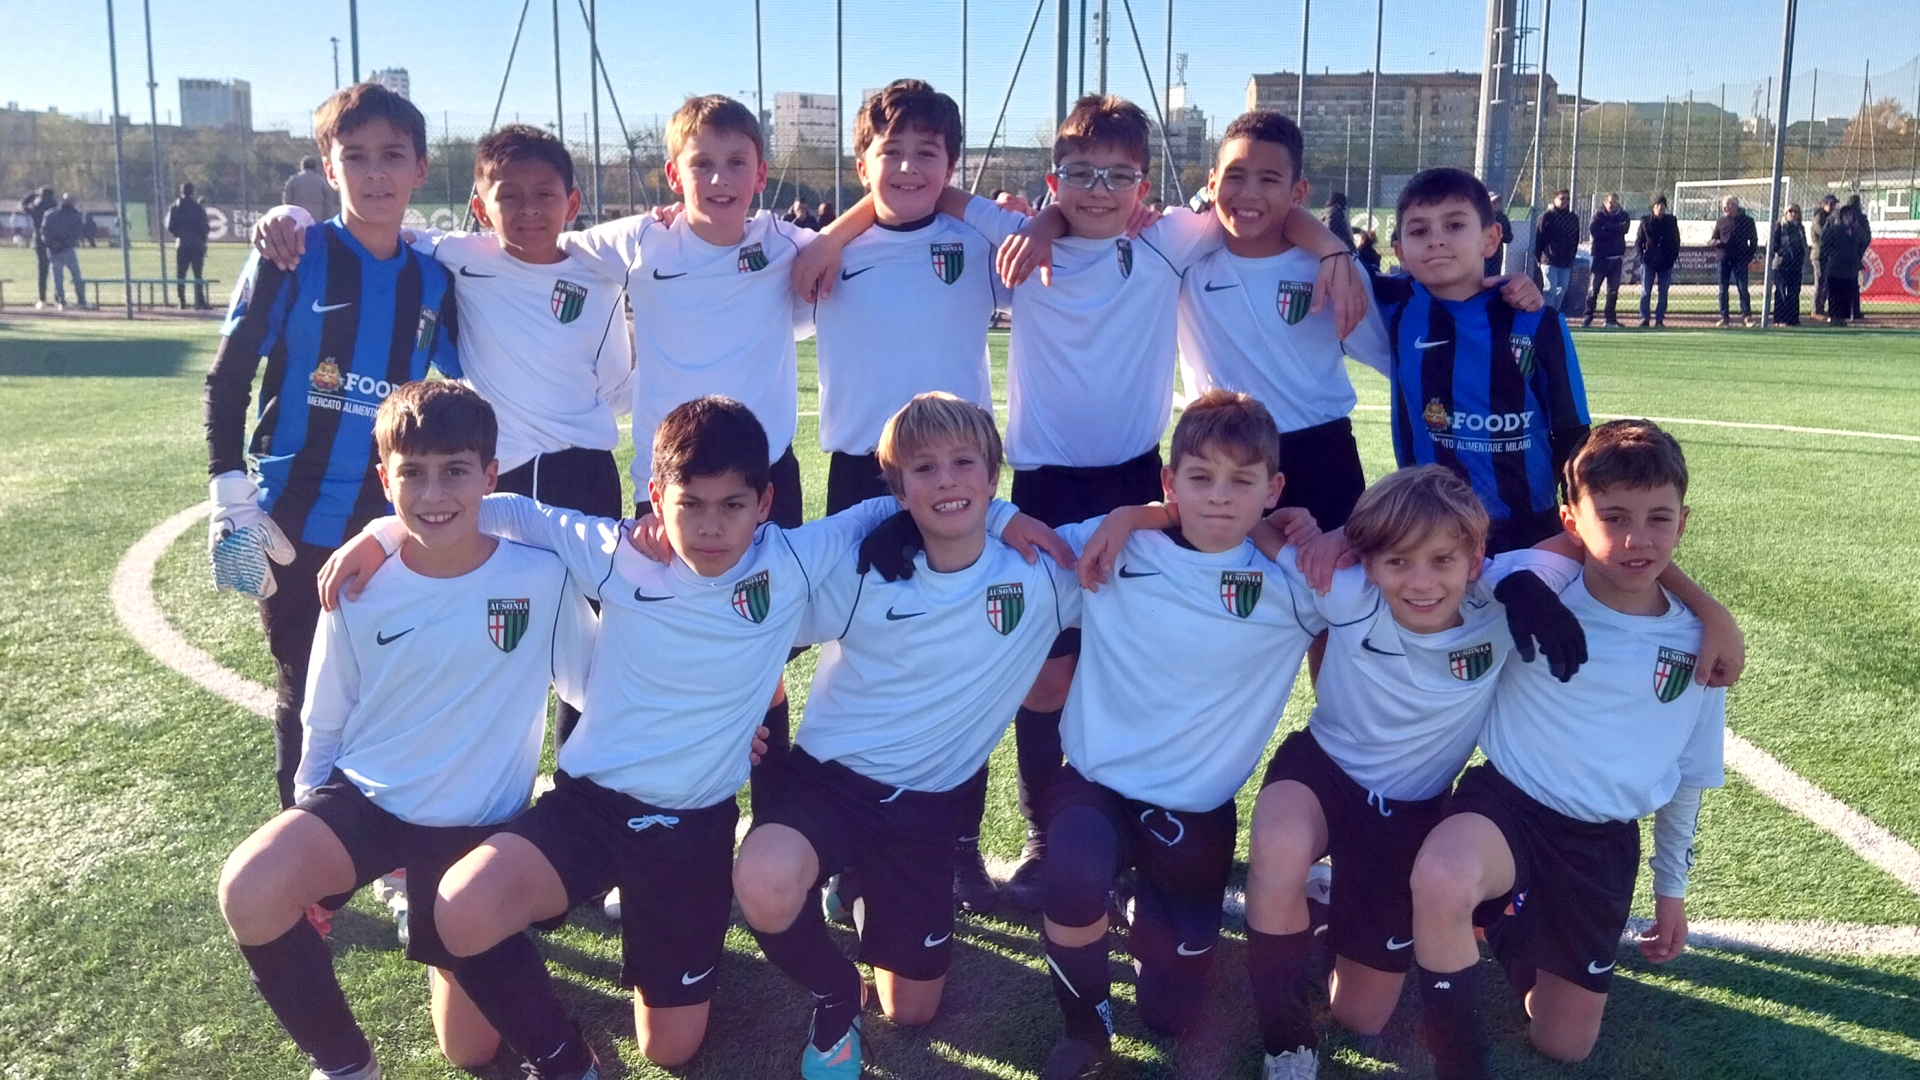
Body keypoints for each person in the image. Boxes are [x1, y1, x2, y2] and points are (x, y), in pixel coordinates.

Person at [316, 395, 1064, 1075]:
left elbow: (897, 504)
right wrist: (382, 533)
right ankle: (566, 1059)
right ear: (655, 496)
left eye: (732, 505)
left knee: (669, 1049)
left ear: (764, 503)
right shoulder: (617, 551)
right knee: (459, 908)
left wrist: (1002, 518)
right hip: (589, 808)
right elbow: (505, 509)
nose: (710, 526)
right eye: (690, 505)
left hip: (692, 832)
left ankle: (826, 953)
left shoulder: (792, 561)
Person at [920, 94, 1364, 913]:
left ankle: (1140, 835)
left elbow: (1258, 209)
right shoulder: (1016, 238)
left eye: (1116, 176)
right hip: (1045, 483)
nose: (1098, 190)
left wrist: (1333, 244)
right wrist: (1039, 221)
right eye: (1079, 175)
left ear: (1144, 186)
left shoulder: (1167, 240)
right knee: (1044, 675)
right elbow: (936, 193)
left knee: (1138, 662)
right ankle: (1046, 838)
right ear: (1054, 177)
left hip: (1135, 479)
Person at [215, 380, 593, 1080]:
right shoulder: (357, 586)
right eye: (412, 473)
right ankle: (346, 1066)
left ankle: (551, 1033)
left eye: (455, 470)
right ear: (385, 481)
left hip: (476, 827)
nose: (433, 493)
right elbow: (325, 715)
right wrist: (308, 832)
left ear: (490, 475)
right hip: (369, 802)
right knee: (251, 885)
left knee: (469, 1050)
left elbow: (592, 688)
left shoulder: (540, 579)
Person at [730, 393, 1078, 1079]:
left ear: (993, 475)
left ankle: (857, 886)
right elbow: (758, 629)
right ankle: (837, 993)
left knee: (913, 1011)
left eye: (963, 463)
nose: (946, 480)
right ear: (897, 488)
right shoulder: (864, 566)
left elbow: (1162, 530)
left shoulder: (1040, 569)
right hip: (830, 784)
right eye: (923, 468)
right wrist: (737, 714)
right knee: (763, 881)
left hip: (926, 811)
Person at [1240, 465, 1586, 1079]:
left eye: (1441, 561)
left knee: (1361, 1017)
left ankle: (1322, 907)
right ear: (1369, 564)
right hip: (1324, 772)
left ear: (1475, 560)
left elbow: (1590, 538)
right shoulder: (1348, 589)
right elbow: (1259, 531)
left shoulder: (1504, 596)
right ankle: (1285, 1040)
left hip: (1412, 811)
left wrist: (1710, 612)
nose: (1421, 582)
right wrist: (1324, 536)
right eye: (1397, 561)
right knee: (1279, 843)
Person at [1410, 420, 1727, 1079]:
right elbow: (1476, 574)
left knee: (1563, 1043)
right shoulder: (1537, 590)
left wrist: (1671, 892)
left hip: (1600, 846)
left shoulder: (1702, 642)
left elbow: (1690, 775)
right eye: (1613, 517)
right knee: (1442, 876)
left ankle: (1508, 926)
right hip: (1509, 808)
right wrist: (1519, 581)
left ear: (1683, 523)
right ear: (1571, 521)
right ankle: (1460, 1063)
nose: (1637, 539)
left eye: (1658, 518)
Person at [1030, 391, 1327, 1080]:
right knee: (1072, 868)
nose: (1219, 496)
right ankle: (1086, 1033)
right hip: (1096, 785)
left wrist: (1312, 536)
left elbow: (1389, 583)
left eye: (1241, 480)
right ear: (1169, 481)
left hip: (1196, 810)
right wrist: (1130, 515)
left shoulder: (1293, 583)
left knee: (1173, 1016)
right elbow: (1017, 551)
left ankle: (1144, 904)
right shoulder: (1115, 546)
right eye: (1200, 477)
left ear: (1274, 489)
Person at [202, 81, 462, 809]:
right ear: (328, 166)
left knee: (393, 692)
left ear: (420, 167)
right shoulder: (292, 255)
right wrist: (227, 489)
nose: (375, 173)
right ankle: (302, 848)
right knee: (306, 694)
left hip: (391, 527)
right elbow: (227, 377)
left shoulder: (433, 279)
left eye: (393, 155)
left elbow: (484, 369)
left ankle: (393, 853)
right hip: (291, 521)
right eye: (356, 156)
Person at [1371, 168, 1590, 554]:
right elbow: (1319, 250)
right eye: (1419, 231)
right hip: (1431, 523)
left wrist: (1580, 511)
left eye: (1454, 225)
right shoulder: (1391, 302)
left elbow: (1572, 429)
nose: (1436, 240)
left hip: (1530, 525)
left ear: (1491, 239)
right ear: (1400, 252)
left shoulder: (1537, 319)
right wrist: (1331, 251)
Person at [1709, 194, 1757, 327]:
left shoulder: (1748, 221)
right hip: (1723, 259)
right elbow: (1714, 238)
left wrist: (1747, 257)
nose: (1724, 209)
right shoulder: (1721, 221)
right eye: (1723, 206)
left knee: (1742, 288)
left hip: (1740, 260)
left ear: (1734, 206)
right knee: (1723, 289)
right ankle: (1724, 317)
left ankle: (1746, 316)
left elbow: (1753, 242)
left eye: (1726, 206)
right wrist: (1715, 242)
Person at [1581, 192, 1628, 327]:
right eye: (1610, 203)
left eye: (1615, 203)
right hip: (1600, 259)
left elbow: (1624, 228)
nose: (1612, 205)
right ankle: (1587, 318)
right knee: (1593, 290)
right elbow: (1595, 231)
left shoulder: (1624, 215)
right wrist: (1614, 229)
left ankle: (1610, 320)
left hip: (1616, 259)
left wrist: (1607, 227)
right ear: (1605, 203)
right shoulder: (1598, 215)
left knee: (1613, 292)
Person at [1824, 195, 1870, 326]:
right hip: (1836, 265)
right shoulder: (1834, 228)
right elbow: (1825, 243)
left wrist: (1858, 255)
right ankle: (1834, 316)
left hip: (1850, 265)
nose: (1849, 217)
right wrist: (1832, 256)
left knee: (1847, 292)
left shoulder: (1856, 230)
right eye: (1846, 214)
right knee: (1835, 293)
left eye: (1851, 214)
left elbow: (1864, 240)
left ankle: (1844, 317)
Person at [1634, 195, 1679, 327]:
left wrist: (1672, 257)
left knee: (1663, 292)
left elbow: (1676, 241)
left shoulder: (1671, 221)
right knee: (1646, 291)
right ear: (1653, 207)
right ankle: (1645, 318)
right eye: (1657, 205)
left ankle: (1659, 319)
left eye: (1662, 205)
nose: (1660, 208)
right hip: (1649, 261)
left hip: (1665, 262)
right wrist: (1642, 257)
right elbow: (1639, 241)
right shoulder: (1645, 222)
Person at [166, 182, 212, 309]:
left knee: (181, 274)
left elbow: (169, 226)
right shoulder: (198, 208)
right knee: (198, 274)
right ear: (193, 192)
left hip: (182, 244)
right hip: (197, 244)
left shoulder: (175, 207)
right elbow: (205, 227)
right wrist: (201, 238)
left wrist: (179, 235)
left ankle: (181, 301)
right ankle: (199, 301)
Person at [39, 193, 88, 310]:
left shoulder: (50, 214)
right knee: (76, 275)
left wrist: (52, 244)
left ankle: (61, 301)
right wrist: (64, 244)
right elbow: (77, 234)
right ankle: (81, 301)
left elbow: (44, 232)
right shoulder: (76, 216)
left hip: (54, 250)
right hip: (67, 249)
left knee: (58, 277)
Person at [1534, 189, 1579, 312]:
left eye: (1567, 199)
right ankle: (1547, 314)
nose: (1565, 201)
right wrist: (1538, 258)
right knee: (1550, 289)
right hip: (1549, 259)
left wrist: (1572, 256)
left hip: (1566, 261)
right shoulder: (1546, 217)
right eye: (1562, 198)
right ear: (1554, 200)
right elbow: (1538, 238)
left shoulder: (1572, 218)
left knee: (1562, 289)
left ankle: (1554, 313)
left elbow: (1575, 238)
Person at [1770, 202, 1807, 327]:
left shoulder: (1800, 228)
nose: (1793, 214)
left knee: (1794, 292)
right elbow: (1773, 245)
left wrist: (1801, 258)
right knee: (1781, 292)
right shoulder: (1779, 226)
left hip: (1795, 264)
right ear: (1785, 213)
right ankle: (1780, 319)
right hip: (1781, 264)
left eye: (1796, 212)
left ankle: (1793, 319)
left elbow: (1803, 245)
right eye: (1790, 211)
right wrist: (1781, 253)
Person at [21, 185, 56, 308]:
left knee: (42, 270)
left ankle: (42, 298)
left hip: (39, 241)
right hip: (55, 241)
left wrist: (32, 194)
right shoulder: (55, 206)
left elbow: (23, 205)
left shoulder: (37, 207)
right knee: (57, 270)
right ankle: (59, 298)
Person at [1809, 193, 1838, 318]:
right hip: (1819, 254)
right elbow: (1823, 234)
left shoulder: (1829, 217)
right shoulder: (1819, 217)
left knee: (1825, 282)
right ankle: (1816, 309)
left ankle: (1820, 308)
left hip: (1827, 254)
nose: (1833, 207)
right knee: (1820, 281)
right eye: (1830, 204)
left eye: (1834, 204)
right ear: (1823, 205)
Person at [283, 155, 335, 222]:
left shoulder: (293, 180)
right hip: (316, 218)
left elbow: (287, 199)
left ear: (302, 166)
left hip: (297, 217)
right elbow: (328, 202)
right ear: (315, 166)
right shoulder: (321, 182)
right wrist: (326, 217)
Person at [1485, 193, 1512, 278]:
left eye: (1497, 202)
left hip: (1496, 254)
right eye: (1493, 202)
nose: (1496, 204)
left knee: (1494, 277)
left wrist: (1501, 235)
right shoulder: (1482, 217)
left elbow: (1509, 238)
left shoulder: (1502, 218)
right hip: (1482, 252)